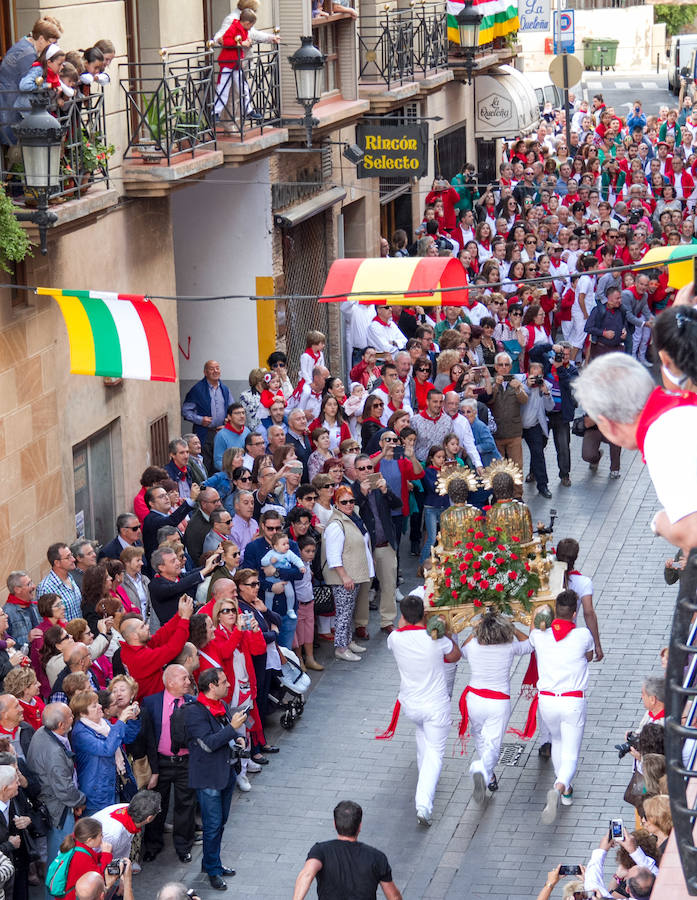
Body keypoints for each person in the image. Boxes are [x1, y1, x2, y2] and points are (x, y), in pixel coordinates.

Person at [574, 350, 697, 553]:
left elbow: (691, 532)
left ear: (607, 424)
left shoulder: (660, 436)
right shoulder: (680, 406)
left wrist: (660, 522)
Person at [378, 594, 461, 826]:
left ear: (402, 616)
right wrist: (444, 632)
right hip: (435, 706)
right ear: (425, 615)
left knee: (422, 738)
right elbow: (455, 656)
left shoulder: (394, 638)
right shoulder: (435, 639)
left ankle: (424, 781)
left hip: (411, 706)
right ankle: (423, 803)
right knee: (435, 753)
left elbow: (401, 629)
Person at [531, 589, 595, 824]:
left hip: (547, 701)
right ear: (574, 613)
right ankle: (558, 788)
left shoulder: (540, 636)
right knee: (570, 753)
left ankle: (565, 791)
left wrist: (540, 616)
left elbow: (532, 633)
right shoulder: (582, 636)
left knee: (556, 740)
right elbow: (587, 656)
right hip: (572, 701)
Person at [184, 667, 247, 891]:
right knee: (212, 826)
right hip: (209, 777)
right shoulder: (194, 711)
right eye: (224, 682)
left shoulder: (221, 705)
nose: (228, 685)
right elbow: (209, 743)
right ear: (211, 686)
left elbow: (228, 734)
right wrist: (233, 729)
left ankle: (212, 862)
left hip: (226, 772)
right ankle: (212, 869)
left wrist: (238, 738)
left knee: (220, 823)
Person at [460, 612, 531, 800]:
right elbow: (530, 643)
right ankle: (482, 769)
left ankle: (488, 775)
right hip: (498, 702)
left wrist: (476, 628)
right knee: (493, 743)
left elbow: (462, 648)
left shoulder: (473, 646)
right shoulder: (509, 647)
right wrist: (513, 627)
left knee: (480, 737)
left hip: (474, 699)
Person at [140, 665, 197, 864]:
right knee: (157, 806)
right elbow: (148, 737)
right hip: (161, 763)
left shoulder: (192, 703)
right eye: (184, 678)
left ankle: (183, 846)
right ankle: (153, 845)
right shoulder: (151, 702)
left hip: (186, 762)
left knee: (185, 805)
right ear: (171, 682)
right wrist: (153, 768)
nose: (189, 682)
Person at [292, 801, 402, 900]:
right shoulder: (376, 857)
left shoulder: (321, 851)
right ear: (359, 826)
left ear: (335, 824)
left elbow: (307, 874)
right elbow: (394, 897)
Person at [26, 703, 87, 878]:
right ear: (61, 725)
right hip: (58, 810)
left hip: (52, 803)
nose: (73, 718)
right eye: (70, 717)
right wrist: (80, 801)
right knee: (62, 860)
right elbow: (65, 789)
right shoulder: (54, 752)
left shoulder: (42, 733)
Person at [321, 486, 374, 662]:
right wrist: (344, 576)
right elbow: (333, 555)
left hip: (354, 574)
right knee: (343, 613)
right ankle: (341, 648)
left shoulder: (352, 518)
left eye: (351, 501)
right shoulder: (336, 525)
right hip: (344, 577)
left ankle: (347, 641)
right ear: (336, 503)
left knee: (349, 611)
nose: (349, 504)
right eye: (344, 502)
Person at [69, 691, 140, 816]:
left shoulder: (103, 723)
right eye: (94, 706)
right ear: (82, 713)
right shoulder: (80, 733)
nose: (100, 706)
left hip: (114, 787)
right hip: (97, 792)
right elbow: (107, 749)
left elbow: (127, 737)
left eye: (98, 703)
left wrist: (133, 719)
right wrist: (121, 721)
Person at [119, 596, 193, 701]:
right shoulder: (139, 658)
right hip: (153, 706)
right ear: (133, 636)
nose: (148, 627)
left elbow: (161, 636)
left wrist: (179, 615)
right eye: (142, 627)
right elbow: (173, 648)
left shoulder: (131, 647)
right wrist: (185, 619)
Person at [182, 361, 232, 473]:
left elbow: (232, 409)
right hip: (204, 433)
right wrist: (200, 420)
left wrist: (228, 424)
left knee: (221, 463)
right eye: (211, 369)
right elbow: (186, 411)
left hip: (221, 432)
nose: (215, 371)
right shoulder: (197, 390)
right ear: (205, 372)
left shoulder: (224, 389)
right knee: (205, 464)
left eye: (217, 368)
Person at [260, 532, 305, 621]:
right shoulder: (271, 553)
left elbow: (296, 559)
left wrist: (301, 566)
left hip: (285, 578)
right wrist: (270, 561)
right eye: (283, 544)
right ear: (275, 546)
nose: (287, 546)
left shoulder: (289, 553)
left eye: (287, 543)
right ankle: (268, 610)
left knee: (291, 594)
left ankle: (290, 609)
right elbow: (263, 562)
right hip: (271, 579)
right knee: (269, 596)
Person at [36, 543, 82, 622]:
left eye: (71, 555)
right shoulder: (45, 588)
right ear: (57, 563)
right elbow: (45, 621)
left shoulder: (71, 577)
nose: (73, 559)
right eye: (68, 557)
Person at [4, 572, 41, 651]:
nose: (34, 586)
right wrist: (27, 638)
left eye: (32, 582)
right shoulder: (7, 613)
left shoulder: (34, 604)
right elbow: (7, 645)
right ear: (17, 589)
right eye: (29, 584)